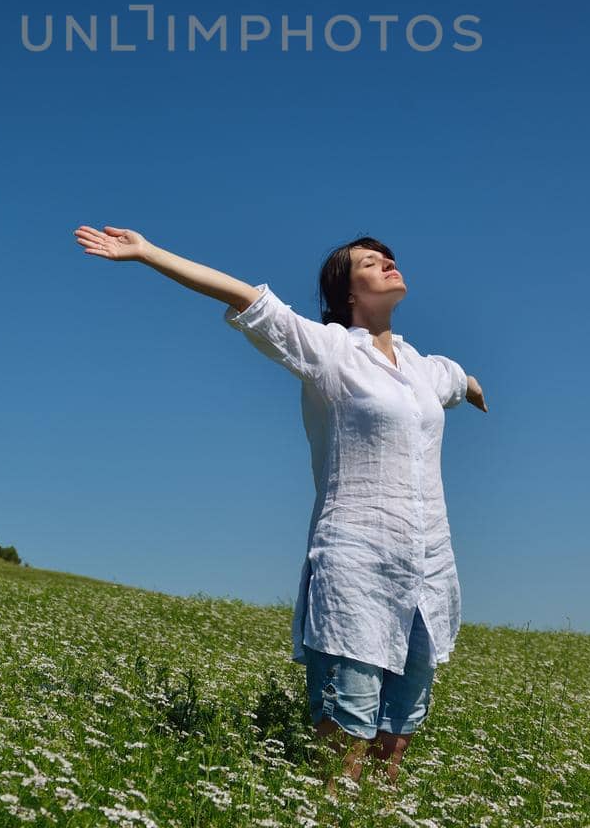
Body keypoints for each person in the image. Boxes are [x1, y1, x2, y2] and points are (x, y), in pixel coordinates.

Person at [72, 224, 487, 795]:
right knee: (350, 721)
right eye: (371, 262)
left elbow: (454, 379)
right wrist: (145, 252)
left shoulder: (423, 366)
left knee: (401, 726)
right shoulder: (331, 350)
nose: (388, 263)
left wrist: (470, 385)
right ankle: (335, 804)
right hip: (357, 557)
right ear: (347, 292)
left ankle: (382, 807)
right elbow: (245, 298)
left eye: (389, 256)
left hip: (428, 566)